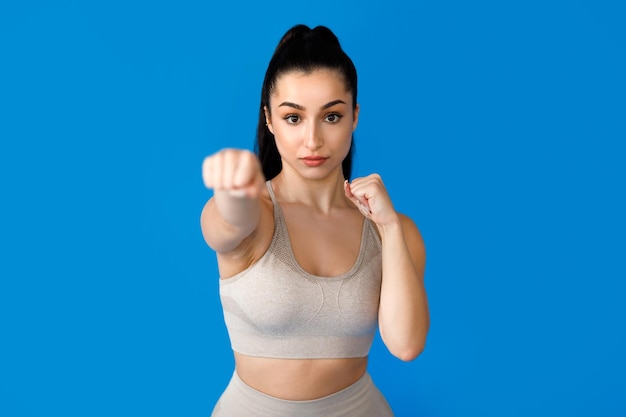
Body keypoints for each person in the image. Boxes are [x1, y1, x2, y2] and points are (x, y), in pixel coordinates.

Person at [200, 24, 429, 417]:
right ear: (269, 120)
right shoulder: (255, 213)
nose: (312, 140)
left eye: (331, 116)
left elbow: (405, 345)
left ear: (354, 116)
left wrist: (389, 229)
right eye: (293, 118)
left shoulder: (393, 228)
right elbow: (225, 226)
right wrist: (233, 191)